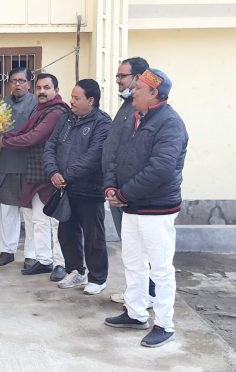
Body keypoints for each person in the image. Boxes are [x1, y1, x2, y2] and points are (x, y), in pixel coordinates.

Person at [104, 68, 188, 348]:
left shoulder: (170, 123)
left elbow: (161, 169)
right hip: (132, 206)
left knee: (160, 268)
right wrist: (111, 188)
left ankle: (164, 323)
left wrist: (124, 193)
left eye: (138, 88)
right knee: (133, 261)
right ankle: (136, 311)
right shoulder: (136, 118)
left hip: (157, 208)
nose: (132, 91)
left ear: (154, 93)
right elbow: (116, 155)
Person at [0, 73, 69, 280]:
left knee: (54, 221)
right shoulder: (40, 110)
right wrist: (4, 137)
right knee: (38, 219)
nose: (42, 91)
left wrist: (5, 142)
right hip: (35, 171)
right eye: (39, 88)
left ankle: (60, 263)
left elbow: (34, 137)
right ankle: (44, 260)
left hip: (51, 173)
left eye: (47, 88)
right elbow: (26, 131)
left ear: (56, 91)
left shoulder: (56, 111)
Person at [43, 79, 111, 295]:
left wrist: (66, 176)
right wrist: (53, 172)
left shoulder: (103, 123)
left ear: (90, 100)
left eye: (76, 98)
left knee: (93, 236)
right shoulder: (66, 119)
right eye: (72, 97)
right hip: (65, 188)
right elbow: (50, 146)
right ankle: (76, 271)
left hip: (89, 189)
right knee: (66, 232)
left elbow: (94, 156)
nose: (71, 101)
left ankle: (98, 278)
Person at [102, 57, 157, 305]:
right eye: (118, 76)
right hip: (119, 191)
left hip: (134, 194)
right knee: (131, 249)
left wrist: (124, 191)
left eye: (122, 76)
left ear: (138, 77)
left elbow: (141, 158)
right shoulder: (127, 107)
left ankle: (148, 296)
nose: (118, 81)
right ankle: (136, 294)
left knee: (144, 250)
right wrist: (111, 186)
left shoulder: (146, 112)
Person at [0, 67, 38, 268]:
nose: (17, 84)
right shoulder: (2, 105)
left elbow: (34, 133)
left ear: (29, 83)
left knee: (29, 212)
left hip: (30, 165)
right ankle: (6, 250)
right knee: (7, 210)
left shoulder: (37, 104)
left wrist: (7, 139)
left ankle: (31, 254)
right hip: (8, 164)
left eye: (21, 81)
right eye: (13, 81)